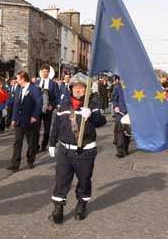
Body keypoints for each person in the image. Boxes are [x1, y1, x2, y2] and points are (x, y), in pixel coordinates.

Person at [48, 73, 106, 224]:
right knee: (61, 179)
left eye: (81, 88)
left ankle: (81, 204)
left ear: (86, 90)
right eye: (76, 88)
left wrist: (92, 116)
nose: (78, 90)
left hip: (85, 151)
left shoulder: (93, 105)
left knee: (84, 180)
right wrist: (52, 143)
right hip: (65, 151)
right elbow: (56, 126)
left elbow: (101, 121)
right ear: (71, 88)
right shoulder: (63, 105)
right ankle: (58, 208)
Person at [7, 71, 42, 172]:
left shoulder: (34, 89)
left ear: (23, 79)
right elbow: (16, 105)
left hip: (30, 120)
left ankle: (30, 160)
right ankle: (15, 164)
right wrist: (14, 119)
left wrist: (35, 116)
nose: (16, 80)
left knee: (31, 142)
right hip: (19, 121)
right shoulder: (18, 88)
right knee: (17, 142)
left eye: (17, 79)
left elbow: (39, 103)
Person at [35, 65, 61, 152]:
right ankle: (36, 146)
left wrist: (52, 106)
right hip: (38, 110)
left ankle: (44, 145)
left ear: (49, 73)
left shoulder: (53, 84)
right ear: (40, 72)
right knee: (36, 129)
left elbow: (57, 97)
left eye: (46, 71)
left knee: (47, 130)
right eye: (43, 71)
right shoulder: (36, 83)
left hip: (48, 110)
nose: (44, 73)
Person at [112, 75, 129, 157]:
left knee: (127, 132)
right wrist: (115, 106)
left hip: (129, 113)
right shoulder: (118, 86)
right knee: (120, 131)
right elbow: (114, 99)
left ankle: (125, 147)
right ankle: (120, 150)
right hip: (120, 112)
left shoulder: (134, 86)